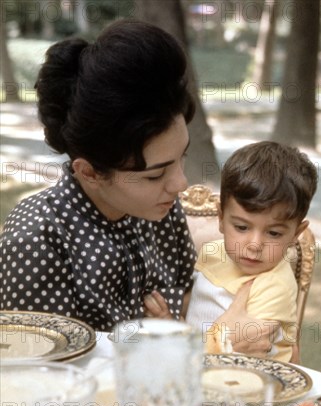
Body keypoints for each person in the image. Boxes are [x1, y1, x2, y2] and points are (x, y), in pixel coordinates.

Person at [0, 19, 275, 355]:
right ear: (89, 173)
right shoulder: (37, 241)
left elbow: (189, 299)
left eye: (181, 158)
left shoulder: (159, 205)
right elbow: (48, 378)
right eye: (154, 175)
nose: (180, 184)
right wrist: (215, 343)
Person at [147, 141, 317, 362]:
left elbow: (242, 352)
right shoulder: (212, 253)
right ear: (220, 218)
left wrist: (182, 346)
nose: (254, 245)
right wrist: (172, 324)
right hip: (202, 368)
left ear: (296, 233)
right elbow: (198, 323)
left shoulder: (275, 286)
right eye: (241, 227)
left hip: (256, 384)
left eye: (274, 233)